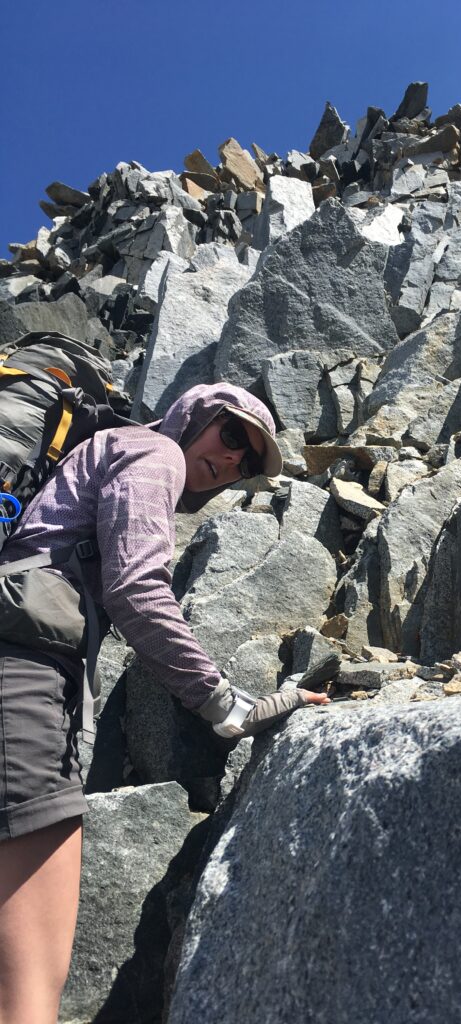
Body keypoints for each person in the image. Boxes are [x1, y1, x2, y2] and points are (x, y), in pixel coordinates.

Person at [0, 382, 330, 1024]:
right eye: (231, 435)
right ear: (194, 416)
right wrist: (223, 704)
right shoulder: (155, 452)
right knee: (30, 986)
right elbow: (138, 590)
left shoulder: (106, 451)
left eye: (247, 461)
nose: (232, 460)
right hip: (22, 676)